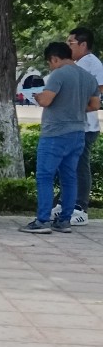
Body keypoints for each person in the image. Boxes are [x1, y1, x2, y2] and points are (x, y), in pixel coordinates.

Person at [22, 41, 100, 234]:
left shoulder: (58, 74)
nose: (51, 66)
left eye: (50, 62)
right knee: (69, 177)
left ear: (55, 58)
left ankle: (42, 220)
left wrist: (37, 97)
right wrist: (72, 107)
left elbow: (47, 100)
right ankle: (64, 220)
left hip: (55, 133)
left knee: (45, 176)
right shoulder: (88, 77)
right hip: (78, 132)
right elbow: (94, 105)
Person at [66, 27, 103, 224]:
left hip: (86, 126)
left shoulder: (93, 63)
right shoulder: (76, 63)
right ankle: (67, 203)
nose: (67, 46)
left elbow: (98, 90)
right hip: (72, 124)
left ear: (83, 44)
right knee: (68, 166)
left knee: (81, 166)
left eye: (70, 43)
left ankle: (81, 207)